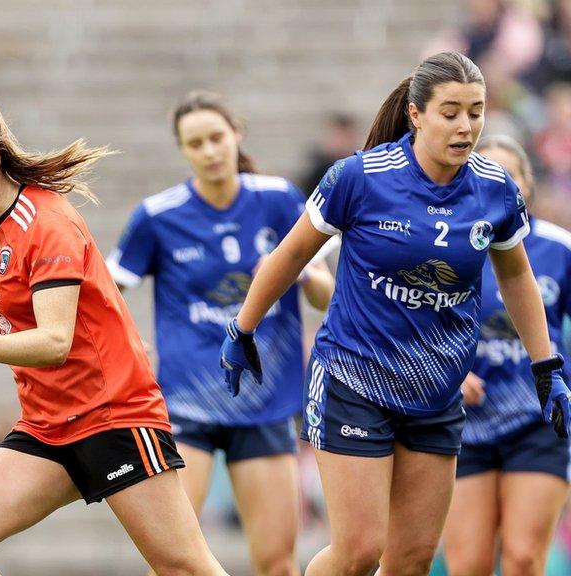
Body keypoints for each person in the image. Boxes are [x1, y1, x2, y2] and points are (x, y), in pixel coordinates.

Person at [219, 52, 570, 576]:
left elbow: (516, 276)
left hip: (436, 393)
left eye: (475, 112)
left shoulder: (495, 188)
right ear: (415, 114)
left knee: (411, 560)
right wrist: (243, 326)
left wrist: (546, 365)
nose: (465, 126)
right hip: (353, 380)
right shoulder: (358, 178)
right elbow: (290, 254)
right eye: (450, 112)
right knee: (359, 551)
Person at [0, 97, 228, 576]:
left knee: (185, 567)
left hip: (112, 418)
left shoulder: (45, 223)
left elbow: (54, 342)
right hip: (47, 426)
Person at [107, 89, 334, 576]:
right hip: (187, 404)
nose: (209, 151)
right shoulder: (158, 216)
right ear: (182, 150)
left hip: (264, 403)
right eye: (195, 144)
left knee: (276, 562)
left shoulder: (278, 200)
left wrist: (301, 273)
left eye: (216, 138)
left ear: (237, 135)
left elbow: (325, 295)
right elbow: (106, 294)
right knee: (171, 561)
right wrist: (127, 345)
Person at [441, 135, 571, 576]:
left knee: (522, 558)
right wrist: (450, 375)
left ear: (526, 186)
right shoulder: (445, 246)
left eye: (507, 175)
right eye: (484, 173)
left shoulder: (559, 248)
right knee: (469, 564)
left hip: (538, 422)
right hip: (462, 426)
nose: (494, 184)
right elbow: (412, 328)